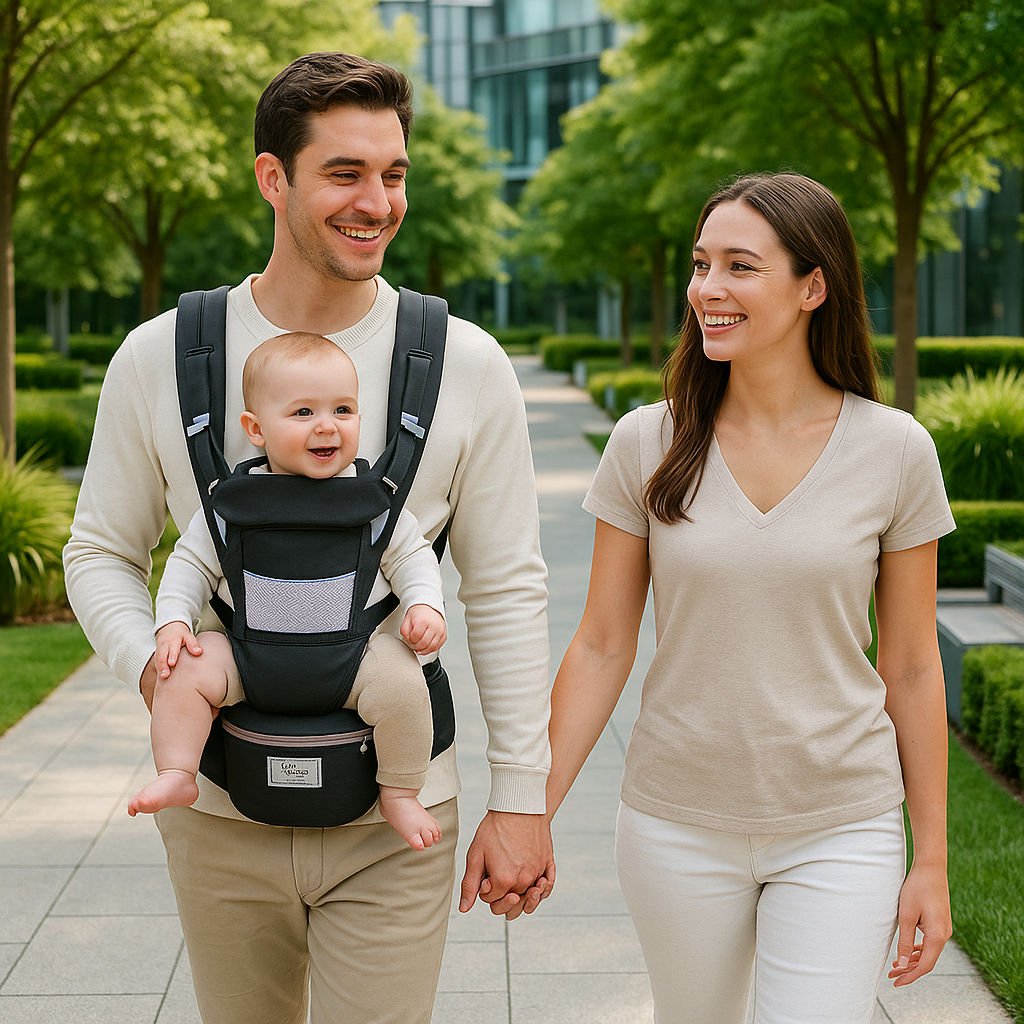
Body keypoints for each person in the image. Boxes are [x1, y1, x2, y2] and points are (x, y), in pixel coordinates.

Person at [63, 52, 554, 1024]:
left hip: (397, 815)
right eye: (345, 173)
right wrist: (157, 663)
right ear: (272, 178)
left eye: (395, 174)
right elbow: (101, 553)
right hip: (217, 811)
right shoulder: (161, 356)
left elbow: (505, 590)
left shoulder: (465, 364)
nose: (377, 201)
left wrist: (524, 795)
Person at [543, 173, 954, 1023]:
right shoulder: (646, 442)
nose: (708, 290)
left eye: (739, 266)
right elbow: (601, 645)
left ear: (813, 287)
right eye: (701, 265)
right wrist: (528, 808)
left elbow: (911, 666)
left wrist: (933, 859)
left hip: (842, 821)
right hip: (674, 820)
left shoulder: (895, 450)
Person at [127, 332, 448, 852]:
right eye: (302, 412)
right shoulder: (233, 505)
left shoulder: (373, 503)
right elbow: (188, 565)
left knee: (402, 679)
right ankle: (178, 768)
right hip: (249, 661)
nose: (327, 425)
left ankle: (400, 792)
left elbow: (413, 557)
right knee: (188, 665)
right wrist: (174, 623)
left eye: (343, 409)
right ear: (255, 429)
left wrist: (424, 606)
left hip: (352, 662)